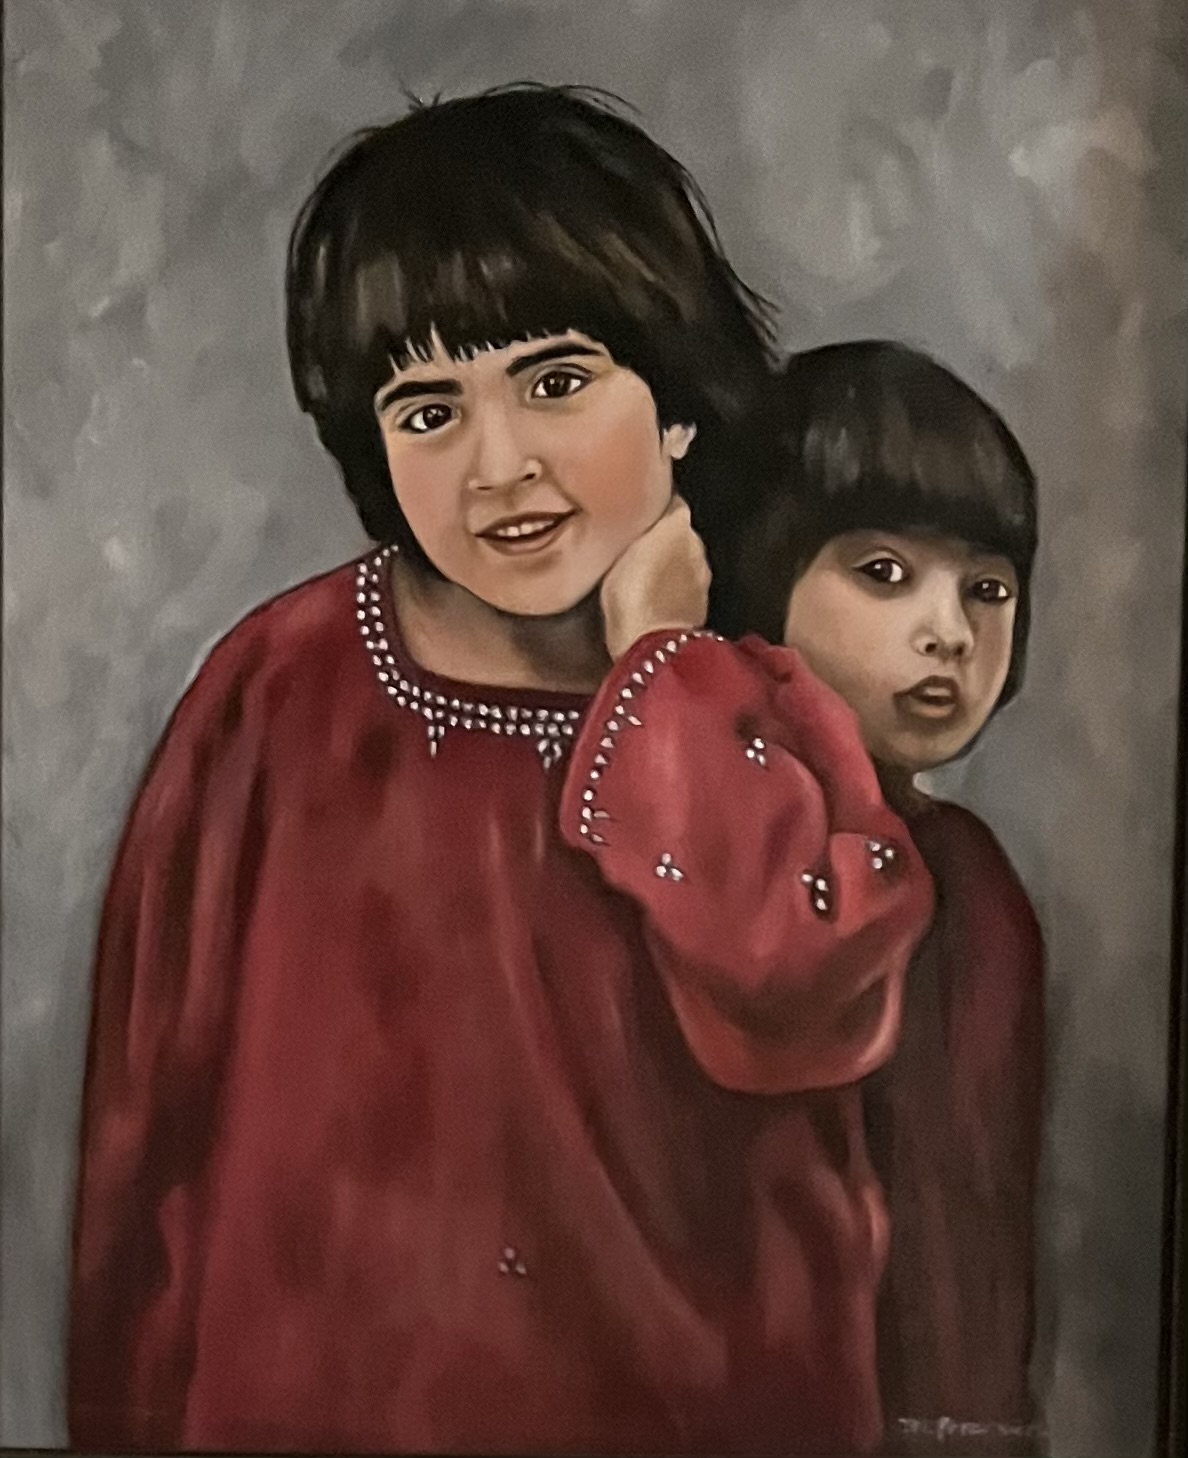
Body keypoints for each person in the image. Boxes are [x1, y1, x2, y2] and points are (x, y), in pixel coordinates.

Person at [68, 90, 935, 1456]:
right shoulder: (275, 693)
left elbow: (793, 993)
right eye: (428, 410)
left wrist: (663, 669)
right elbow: (146, 1131)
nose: (500, 466)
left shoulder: (763, 706)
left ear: (678, 402)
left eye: (557, 382)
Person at [714, 339, 1046, 1456]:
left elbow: (974, 1244)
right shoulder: (715, 847)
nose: (950, 631)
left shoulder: (972, 885)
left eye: (987, 589)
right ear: (763, 578)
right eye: (886, 574)